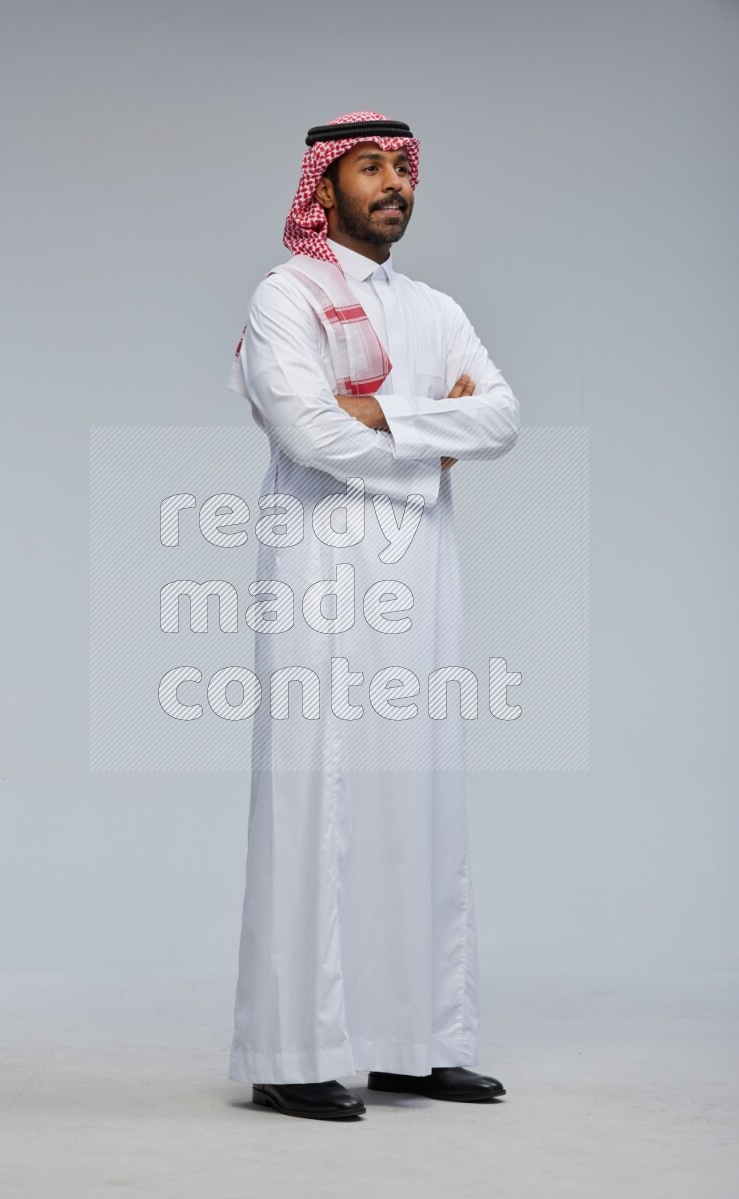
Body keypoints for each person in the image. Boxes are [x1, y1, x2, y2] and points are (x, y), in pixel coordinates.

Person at [227, 111, 520, 1121]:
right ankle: (290, 1050)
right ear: (323, 187)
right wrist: (432, 436)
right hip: (319, 567)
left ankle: (415, 1042)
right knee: (315, 797)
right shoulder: (287, 295)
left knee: (418, 794)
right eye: (369, 167)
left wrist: (379, 414)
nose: (393, 183)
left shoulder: (436, 308)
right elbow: (306, 432)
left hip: (422, 578)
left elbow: (500, 416)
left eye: (403, 166)